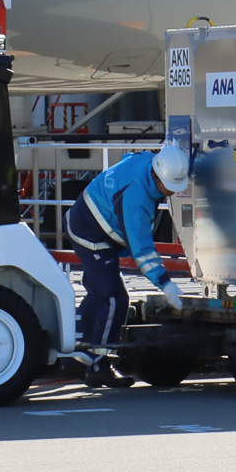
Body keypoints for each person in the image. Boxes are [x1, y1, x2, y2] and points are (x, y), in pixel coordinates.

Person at [67, 141, 189, 385]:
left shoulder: (147, 162)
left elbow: (128, 159)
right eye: (169, 187)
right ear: (157, 177)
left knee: (99, 294)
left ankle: (79, 354)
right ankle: (99, 366)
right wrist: (165, 283)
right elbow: (141, 249)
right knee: (114, 299)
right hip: (90, 233)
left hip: (88, 221)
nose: (172, 192)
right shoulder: (136, 197)